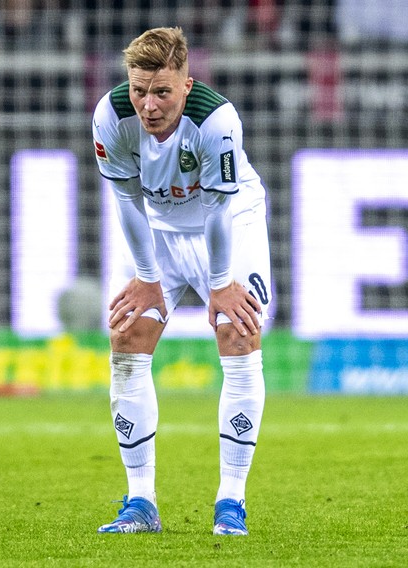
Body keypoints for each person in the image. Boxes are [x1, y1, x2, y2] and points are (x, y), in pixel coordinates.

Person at [91, 26, 272, 536]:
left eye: (162, 91)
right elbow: (126, 201)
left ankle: (230, 502)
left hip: (230, 226)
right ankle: (140, 501)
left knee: (238, 333)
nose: (148, 105)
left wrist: (220, 284)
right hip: (161, 234)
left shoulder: (217, 121)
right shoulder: (110, 116)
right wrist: (146, 277)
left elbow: (218, 210)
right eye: (139, 90)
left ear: (186, 84)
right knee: (127, 335)